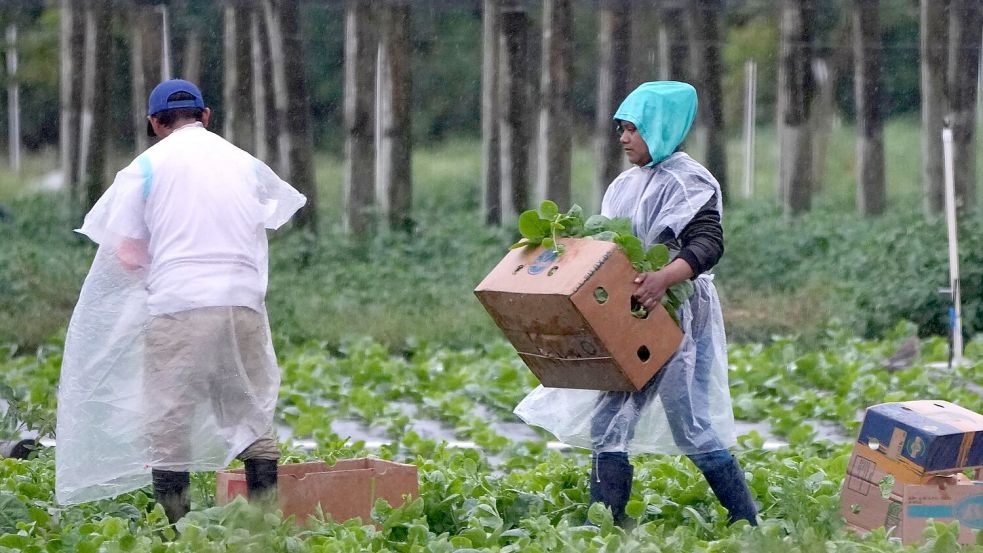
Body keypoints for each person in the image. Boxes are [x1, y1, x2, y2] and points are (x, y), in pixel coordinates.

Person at [55, 79, 306, 525]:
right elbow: (268, 217)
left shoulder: (147, 167)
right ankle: (266, 524)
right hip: (242, 303)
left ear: (155, 123)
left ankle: (176, 529)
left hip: (180, 305)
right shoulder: (244, 163)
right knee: (248, 408)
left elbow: (128, 253)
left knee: (169, 420)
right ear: (205, 116)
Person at [515, 81, 756, 527]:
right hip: (630, 316)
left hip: (676, 316)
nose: (623, 138)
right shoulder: (625, 185)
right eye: (621, 128)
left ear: (660, 128)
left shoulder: (690, 181)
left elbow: (707, 243)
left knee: (690, 424)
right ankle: (604, 521)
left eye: (632, 128)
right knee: (610, 418)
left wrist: (664, 277)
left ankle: (746, 520)